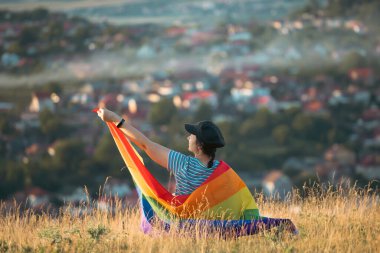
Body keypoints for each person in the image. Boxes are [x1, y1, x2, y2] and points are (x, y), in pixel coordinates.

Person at [97, 108, 225, 196]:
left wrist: (115, 118)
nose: (188, 137)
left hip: (185, 226)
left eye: (192, 136)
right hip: (210, 227)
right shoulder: (221, 171)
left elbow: (146, 144)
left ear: (200, 146)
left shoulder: (183, 163)